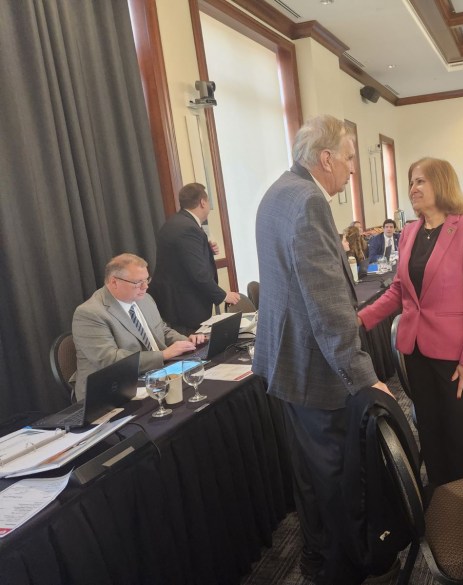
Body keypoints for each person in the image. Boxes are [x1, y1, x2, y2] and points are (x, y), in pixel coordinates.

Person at [252, 115, 392, 585]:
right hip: (315, 368)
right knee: (335, 477)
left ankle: (314, 559)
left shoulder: (278, 191)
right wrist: (362, 373)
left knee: (309, 475)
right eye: (350, 158)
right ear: (326, 157)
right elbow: (327, 303)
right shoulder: (309, 200)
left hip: (287, 364)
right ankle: (342, 569)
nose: (353, 169)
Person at [359, 157, 463, 487]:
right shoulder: (409, 232)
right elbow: (399, 291)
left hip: (456, 357)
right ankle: (442, 499)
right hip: (415, 350)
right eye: (411, 182)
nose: (413, 188)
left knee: (460, 435)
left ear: (442, 184)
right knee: (430, 431)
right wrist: (360, 320)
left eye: (421, 181)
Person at [72, 254, 203, 401]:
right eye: (137, 282)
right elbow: (109, 360)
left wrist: (186, 342)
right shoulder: (90, 313)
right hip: (112, 390)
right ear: (114, 282)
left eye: (147, 280)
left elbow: (161, 330)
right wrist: (164, 355)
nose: (145, 287)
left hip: (155, 375)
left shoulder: (145, 299)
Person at [148, 183, 240, 334]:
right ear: (203, 202)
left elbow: (182, 259)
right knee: (195, 349)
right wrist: (223, 295)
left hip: (173, 302)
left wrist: (206, 250)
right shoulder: (188, 228)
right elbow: (198, 272)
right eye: (208, 202)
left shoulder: (175, 223)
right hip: (185, 306)